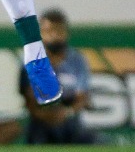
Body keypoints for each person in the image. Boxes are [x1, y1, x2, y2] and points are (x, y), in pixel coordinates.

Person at [21, 8, 98, 145]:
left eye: (59, 31)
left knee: (96, 142)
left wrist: (67, 112)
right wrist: (48, 116)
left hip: (70, 120)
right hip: (41, 122)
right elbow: (30, 99)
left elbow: (82, 96)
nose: (55, 36)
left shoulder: (77, 60)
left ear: (66, 33)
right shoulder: (33, 61)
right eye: (49, 31)